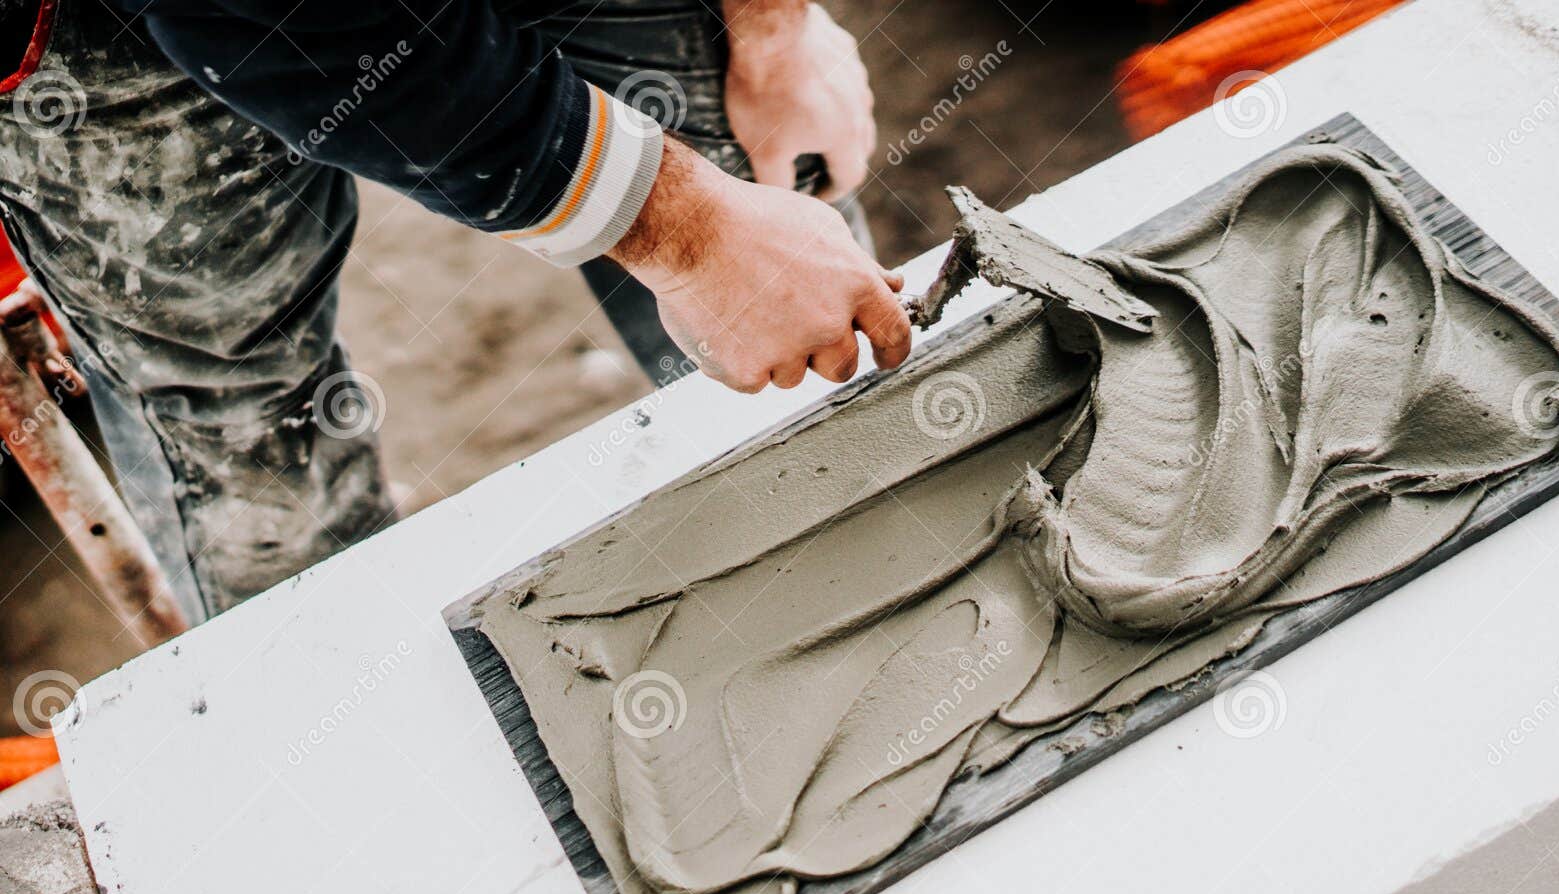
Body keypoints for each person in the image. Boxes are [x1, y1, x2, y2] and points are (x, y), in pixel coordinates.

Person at [0, 0, 910, 620]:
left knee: (762, 226)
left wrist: (773, 31)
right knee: (250, 448)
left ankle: (878, 577)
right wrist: (685, 228)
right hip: (108, 41)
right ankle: (351, 786)